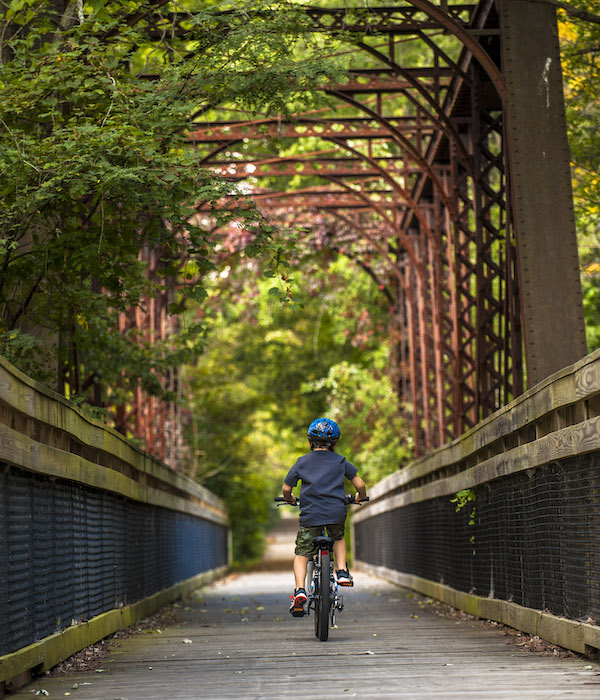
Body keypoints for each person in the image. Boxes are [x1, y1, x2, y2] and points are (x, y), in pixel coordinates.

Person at [282, 417, 367, 617]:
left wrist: (291, 499)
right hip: (336, 512)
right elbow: (360, 484)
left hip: (310, 514)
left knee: (302, 553)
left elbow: (287, 488)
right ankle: (342, 571)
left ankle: (300, 591)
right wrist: (359, 497)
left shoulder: (302, 462)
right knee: (337, 537)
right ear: (335, 443)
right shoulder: (340, 461)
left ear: (310, 442)